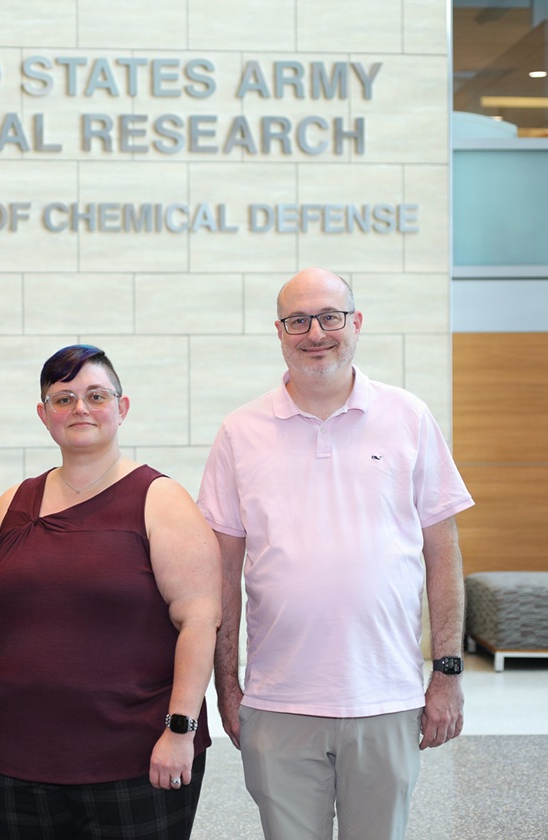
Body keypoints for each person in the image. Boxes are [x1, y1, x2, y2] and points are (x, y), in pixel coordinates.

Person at [196, 267, 474, 840]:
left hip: (387, 697)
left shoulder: (408, 417)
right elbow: (222, 569)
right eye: (298, 320)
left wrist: (446, 673)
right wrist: (226, 684)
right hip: (278, 702)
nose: (315, 332)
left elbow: (443, 555)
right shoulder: (239, 432)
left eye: (329, 317)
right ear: (279, 331)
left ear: (356, 323)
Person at [0, 344, 222, 840]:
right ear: (43, 415)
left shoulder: (160, 500)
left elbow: (199, 619)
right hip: (16, 761)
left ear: (122, 407)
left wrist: (180, 731)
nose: (80, 409)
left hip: (137, 759)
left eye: (96, 395)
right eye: (63, 398)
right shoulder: (12, 504)